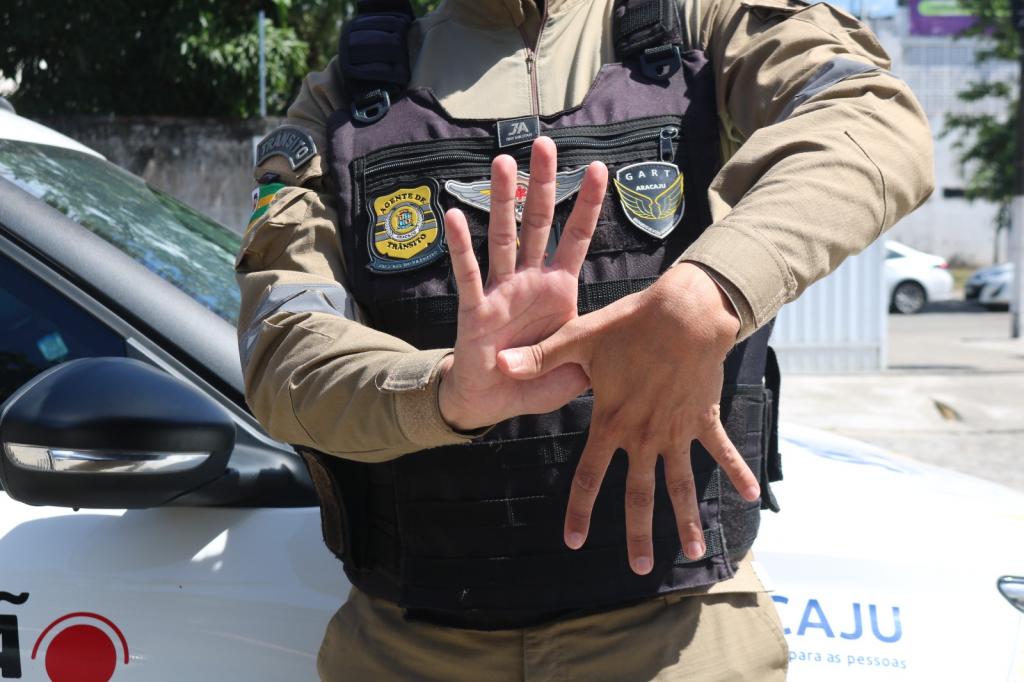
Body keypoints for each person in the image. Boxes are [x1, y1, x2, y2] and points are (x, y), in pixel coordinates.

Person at [235, 0, 933, 678]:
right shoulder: (345, 92)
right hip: (414, 647)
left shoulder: (705, 24)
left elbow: (873, 120)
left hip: (679, 641)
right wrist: (442, 393)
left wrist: (707, 295)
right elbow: (284, 349)